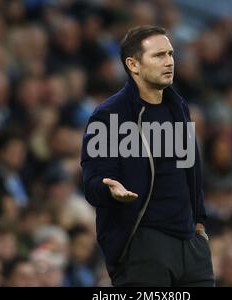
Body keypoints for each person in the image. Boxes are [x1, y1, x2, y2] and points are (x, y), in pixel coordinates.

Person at [81, 25, 213, 286]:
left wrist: (199, 226)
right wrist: (109, 189)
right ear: (133, 64)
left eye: (171, 54)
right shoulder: (109, 116)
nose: (169, 62)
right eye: (159, 56)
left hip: (191, 246)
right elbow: (92, 182)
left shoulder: (179, 107)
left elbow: (191, 173)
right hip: (144, 245)